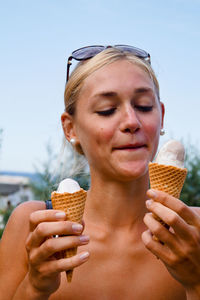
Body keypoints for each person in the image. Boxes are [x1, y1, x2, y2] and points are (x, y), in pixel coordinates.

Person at [0, 45, 200, 300]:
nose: (131, 121)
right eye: (106, 109)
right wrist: (35, 288)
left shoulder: (193, 235)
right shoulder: (34, 227)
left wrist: (196, 282)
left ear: (161, 115)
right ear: (70, 128)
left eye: (144, 106)